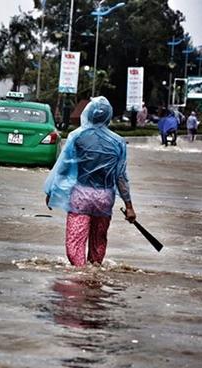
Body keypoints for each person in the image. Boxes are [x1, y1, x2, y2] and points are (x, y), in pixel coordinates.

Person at [44, 96, 136, 267]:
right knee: (98, 241)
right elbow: (121, 177)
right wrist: (129, 206)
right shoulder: (118, 142)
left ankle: (79, 277)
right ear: (108, 116)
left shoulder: (77, 137)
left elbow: (63, 167)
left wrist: (51, 191)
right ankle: (93, 280)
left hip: (81, 197)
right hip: (105, 199)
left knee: (75, 242)